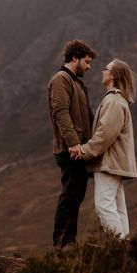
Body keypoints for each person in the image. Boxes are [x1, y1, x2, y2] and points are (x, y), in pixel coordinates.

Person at [71, 59, 137, 239]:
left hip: (109, 163)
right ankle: (126, 249)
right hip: (114, 163)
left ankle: (120, 249)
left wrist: (83, 151)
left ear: (113, 75)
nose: (102, 71)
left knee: (104, 207)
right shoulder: (116, 100)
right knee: (117, 208)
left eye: (105, 69)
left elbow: (104, 135)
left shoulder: (114, 101)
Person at [47, 39, 97, 248]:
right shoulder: (61, 80)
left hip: (79, 150)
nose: (88, 66)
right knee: (70, 194)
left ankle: (70, 241)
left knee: (76, 195)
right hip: (70, 150)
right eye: (86, 61)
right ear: (74, 58)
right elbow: (61, 113)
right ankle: (63, 242)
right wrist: (74, 144)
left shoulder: (76, 83)